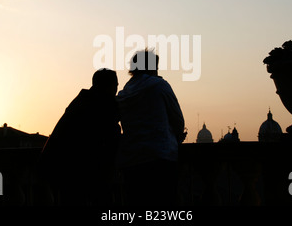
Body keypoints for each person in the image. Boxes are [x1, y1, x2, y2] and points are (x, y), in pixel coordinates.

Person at [39, 68, 121, 205]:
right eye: (116, 85)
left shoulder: (80, 103)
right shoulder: (105, 105)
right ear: (111, 86)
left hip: (66, 171)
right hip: (85, 174)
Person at [116, 49, 186, 206]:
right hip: (160, 158)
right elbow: (178, 121)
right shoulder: (160, 86)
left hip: (131, 162)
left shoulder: (123, 94)